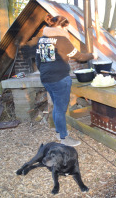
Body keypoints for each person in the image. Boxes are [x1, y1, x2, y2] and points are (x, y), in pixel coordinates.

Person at [35, 15, 97, 146]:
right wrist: (92, 55)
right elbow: (78, 56)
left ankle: (59, 133)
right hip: (59, 79)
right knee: (60, 109)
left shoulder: (43, 39)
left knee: (57, 108)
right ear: (63, 26)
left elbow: (39, 60)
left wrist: (46, 72)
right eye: (67, 28)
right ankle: (64, 138)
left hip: (46, 78)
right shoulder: (61, 39)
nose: (67, 31)